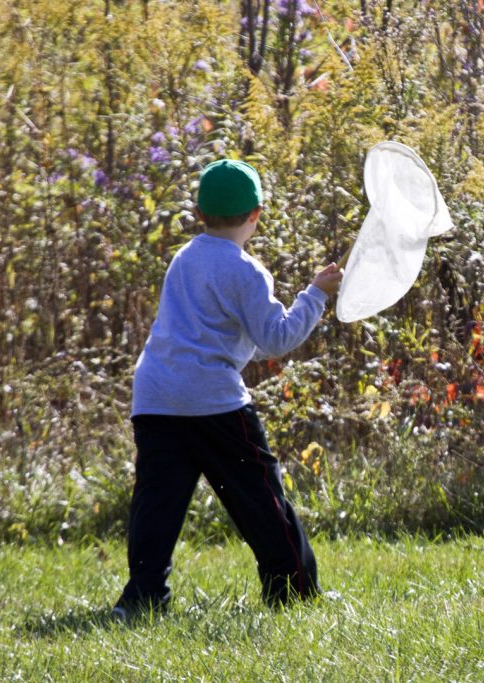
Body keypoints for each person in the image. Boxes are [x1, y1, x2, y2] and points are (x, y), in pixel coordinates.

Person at [112, 159, 342, 619]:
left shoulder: (184, 259)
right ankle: (293, 590)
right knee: (260, 497)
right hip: (213, 402)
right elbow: (276, 339)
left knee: (157, 503)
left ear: (199, 212)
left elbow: (211, 332)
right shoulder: (245, 270)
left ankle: (142, 597)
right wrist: (316, 294)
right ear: (256, 214)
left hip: (155, 397)